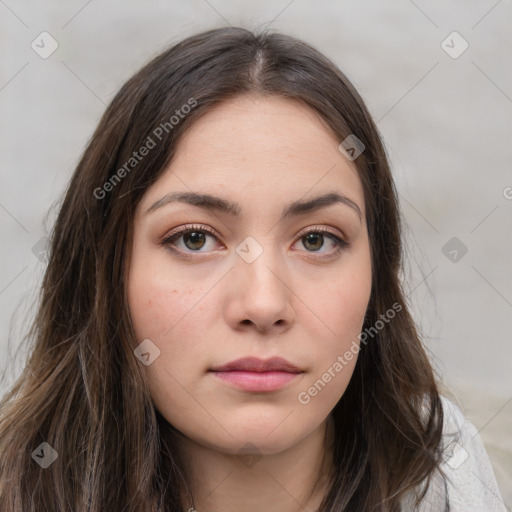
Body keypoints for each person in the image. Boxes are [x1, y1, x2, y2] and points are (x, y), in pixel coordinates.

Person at [0, 26, 506, 512]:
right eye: (194, 239)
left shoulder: (452, 478)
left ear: (377, 278)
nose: (263, 305)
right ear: (105, 272)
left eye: (316, 240)